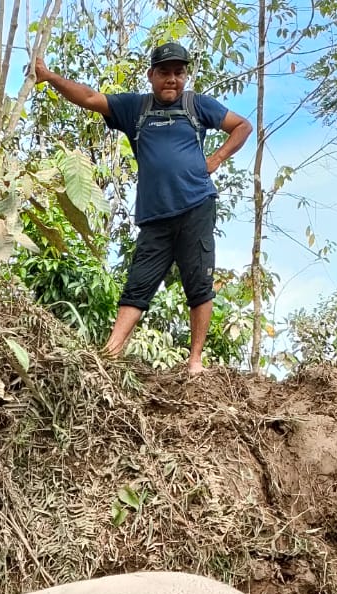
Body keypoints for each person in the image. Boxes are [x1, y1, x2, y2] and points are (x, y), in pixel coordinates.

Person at [32, 43, 252, 370]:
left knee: (199, 283)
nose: (172, 80)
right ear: (151, 75)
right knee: (138, 285)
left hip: (196, 206)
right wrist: (48, 76)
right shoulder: (135, 108)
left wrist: (216, 158)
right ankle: (110, 353)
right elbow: (90, 98)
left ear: (185, 76)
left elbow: (242, 126)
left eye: (179, 73)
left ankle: (194, 362)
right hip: (155, 217)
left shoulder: (197, 105)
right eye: (164, 72)